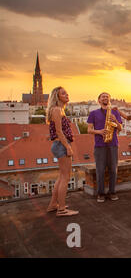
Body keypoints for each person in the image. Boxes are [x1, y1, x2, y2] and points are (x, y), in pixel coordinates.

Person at [46, 86, 79, 217]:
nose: (67, 95)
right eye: (63, 93)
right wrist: (68, 147)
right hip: (61, 145)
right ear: (57, 97)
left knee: (61, 176)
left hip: (59, 144)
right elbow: (59, 132)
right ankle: (61, 209)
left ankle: (53, 205)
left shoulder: (58, 110)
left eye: (66, 92)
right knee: (65, 177)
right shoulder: (57, 110)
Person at [87, 92, 123, 202]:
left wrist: (115, 120)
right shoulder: (93, 113)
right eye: (103, 97)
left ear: (109, 100)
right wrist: (99, 131)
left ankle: (112, 192)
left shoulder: (115, 112)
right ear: (99, 100)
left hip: (113, 144)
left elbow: (120, 128)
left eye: (107, 97)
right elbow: (89, 130)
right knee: (100, 170)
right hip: (99, 145)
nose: (105, 98)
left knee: (113, 170)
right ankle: (101, 193)